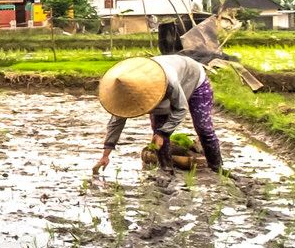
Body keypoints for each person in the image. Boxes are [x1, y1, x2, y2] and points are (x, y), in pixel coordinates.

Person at [92, 53, 224, 175]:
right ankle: (166, 170)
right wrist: (105, 155)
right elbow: (116, 122)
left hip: (194, 81)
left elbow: (181, 108)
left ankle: (216, 168)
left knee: (203, 127)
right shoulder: (125, 90)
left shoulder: (169, 80)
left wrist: (163, 133)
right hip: (165, 87)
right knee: (158, 131)